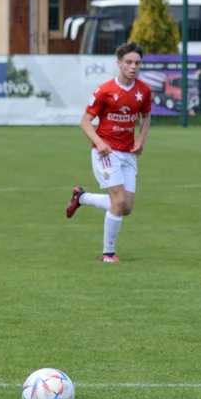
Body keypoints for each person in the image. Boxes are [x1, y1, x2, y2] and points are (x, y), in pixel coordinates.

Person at [65, 41, 152, 262]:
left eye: (137, 63)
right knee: (118, 201)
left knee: (126, 207)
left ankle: (82, 197)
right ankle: (108, 253)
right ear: (119, 64)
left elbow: (146, 117)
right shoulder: (105, 91)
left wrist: (140, 139)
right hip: (106, 153)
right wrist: (99, 142)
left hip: (128, 154)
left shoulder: (144, 91)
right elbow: (85, 121)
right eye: (129, 62)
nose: (134, 67)